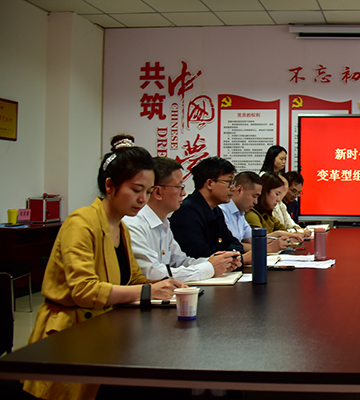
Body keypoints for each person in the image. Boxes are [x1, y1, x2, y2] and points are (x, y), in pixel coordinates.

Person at [23, 135, 185, 400]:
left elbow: (133, 278)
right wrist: (148, 291)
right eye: (136, 190)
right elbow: (84, 290)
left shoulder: (121, 227)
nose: (142, 199)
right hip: (69, 335)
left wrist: (165, 286)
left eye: (147, 191)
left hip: (106, 329)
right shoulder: (81, 223)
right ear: (110, 186)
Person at [124, 157, 239, 282]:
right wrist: (210, 267)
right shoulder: (133, 224)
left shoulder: (163, 223)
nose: (183, 193)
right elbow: (153, 274)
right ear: (158, 192)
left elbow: (180, 262)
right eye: (179, 187)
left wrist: (221, 262)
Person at [169, 156, 250, 265]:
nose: (233, 188)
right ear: (210, 183)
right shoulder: (187, 213)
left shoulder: (216, 211)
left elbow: (232, 242)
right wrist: (238, 259)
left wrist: (235, 257)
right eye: (229, 182)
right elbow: (200, 254)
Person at [245, 172, 302, 246]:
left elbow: (282, 229)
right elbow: (258, 241)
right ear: (265, 192)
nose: (278, 199)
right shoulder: (251, 214)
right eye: (277, 194)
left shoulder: (267, 213)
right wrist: (278, 234)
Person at [220, 171, 263, 248]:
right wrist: (267, 248)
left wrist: (277, 236)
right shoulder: (222, 211)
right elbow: (228, 245)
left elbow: (252, 239)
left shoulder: (240, 212)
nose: (256, 202)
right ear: (239, 190)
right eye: (254, 196)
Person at [274, 171, 309, 235]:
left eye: (298, 192)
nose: (295, 195)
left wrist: (300, 230)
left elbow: (292, 224)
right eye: (293, 191)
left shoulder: (286, 205)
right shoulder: (275, 204)